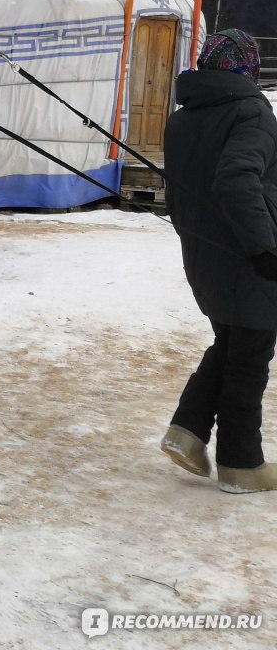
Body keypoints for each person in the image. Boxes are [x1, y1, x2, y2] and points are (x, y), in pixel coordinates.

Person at [160, 29, 277, 493]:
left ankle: (187, 432)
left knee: (232, 343)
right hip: (249, 253)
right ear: (248, 68)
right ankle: (241, 464)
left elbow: (179, 194)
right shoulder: (251, 111)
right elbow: (236, 181)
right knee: (249, 356)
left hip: (204, 253)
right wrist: (263, 249)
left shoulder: (182, 118)